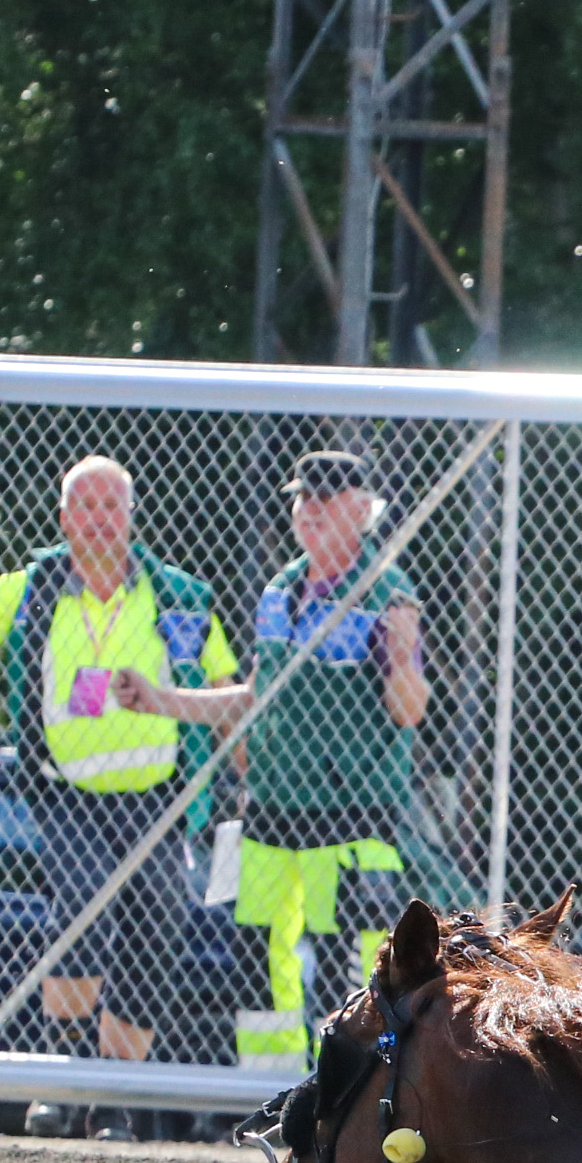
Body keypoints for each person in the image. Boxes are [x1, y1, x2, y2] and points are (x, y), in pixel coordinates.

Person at [0, 454, 241, 1137]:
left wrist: (234, 753)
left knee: (158, 922)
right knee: (85, 902)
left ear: (131, 515)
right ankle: (61, 1081)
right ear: (63, 519)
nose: (98, 519)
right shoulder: (32, 587)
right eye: (84, 507)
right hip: (68, 793)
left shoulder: (178, 595)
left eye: (110, 506)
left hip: (158, 794)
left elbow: (228, 688)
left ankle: (111, 1102)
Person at [142, 452, 427, 1074]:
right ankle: (268, 1097)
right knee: (260, 964)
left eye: (327, 498)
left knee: (356, 971)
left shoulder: (388, 594)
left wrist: (402, 660)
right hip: (270, 812)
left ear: (361, 509)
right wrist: (162, 700)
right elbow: (255, 695)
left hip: (350, 820)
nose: (310, 510)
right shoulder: (279, 590)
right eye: (303, 498)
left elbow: (409, 710)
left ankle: (358, 1096)